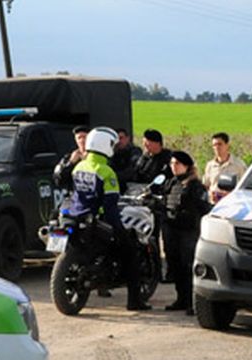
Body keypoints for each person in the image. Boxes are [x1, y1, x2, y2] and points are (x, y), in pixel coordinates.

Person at [70, 126, 148, 311]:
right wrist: (119, 229)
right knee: (130, 252)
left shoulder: (79, 166)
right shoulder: (105, 171)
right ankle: (134, 301)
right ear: (105, 146)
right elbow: (111, 207)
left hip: (77, 216)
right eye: (111, 144)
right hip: (98, 220)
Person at [158, 150, 212, 313]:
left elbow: (202, 207)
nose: (173, 167)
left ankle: (193, 303)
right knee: (175, 266)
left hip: (187, 232)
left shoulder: (195, 186)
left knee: (188, 267)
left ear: (186, 166)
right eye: (172, 163)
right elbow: (166, 201)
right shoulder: (171, 182)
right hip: (171, 229)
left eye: (177, 164)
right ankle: (181, 299)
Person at [203, 131, 247, 204]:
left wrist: (229, 195)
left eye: (220, 144)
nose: (217, 147)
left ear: (227, 145)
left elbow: (245, 187)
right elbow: (206, 185)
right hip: (213, 205)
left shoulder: (238, 165)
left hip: (232, 204)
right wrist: (210, 194)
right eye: (214, 145)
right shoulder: (210, 166)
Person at [52, 126, 89, 194]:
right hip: (75, 197)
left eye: (84, 137)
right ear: (76, 140)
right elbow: (58, 179)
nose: (82, 140)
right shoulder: (69, 157)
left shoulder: (98, 156)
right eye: (79, 138)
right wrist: (71, 162)